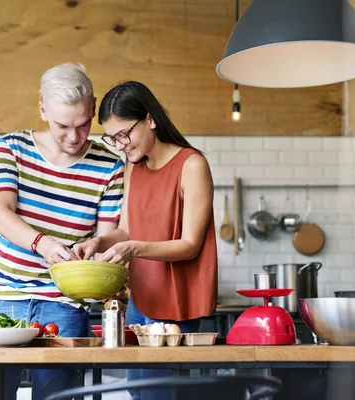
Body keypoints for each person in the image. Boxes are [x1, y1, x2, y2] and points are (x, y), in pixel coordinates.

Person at [0, 63, 125, 400]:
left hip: (66, 305)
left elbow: (105, 239)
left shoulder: (110, 166)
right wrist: (42, 244)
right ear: (43, 108)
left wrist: (100, 255)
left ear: (93, 107)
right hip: (5, 300)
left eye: (84, 124)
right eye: (63, 126)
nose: (74, 137)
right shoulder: (12, 147)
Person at [72, 81, 218, 400]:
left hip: (177, 306)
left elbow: (190, 244)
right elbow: (126, 229)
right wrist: (98, 243)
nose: (120, 144)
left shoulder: (192, 165)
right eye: (112, 138)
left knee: (158, 396)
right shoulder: (133, 168)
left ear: (150, 119)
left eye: (124, 133)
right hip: (140, 303)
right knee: (139, 396)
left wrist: (135, 247)